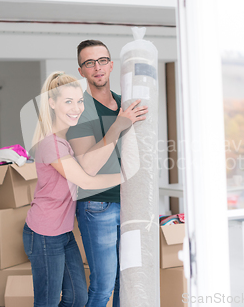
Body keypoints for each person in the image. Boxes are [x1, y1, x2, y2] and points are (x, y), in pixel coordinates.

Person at [23, 72, 122, 307]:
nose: (76, 108)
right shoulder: (52, 144)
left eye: (79, 101)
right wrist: (128, 177)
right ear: (52, 103)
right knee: (47, 302)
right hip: (44, 233)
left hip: (63, 233)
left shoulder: (65, 140)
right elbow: (86, 181)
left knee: (78, 297)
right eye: (68, 102)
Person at [66, 40, 148, 307]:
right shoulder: (78, 109)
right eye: (89, 63)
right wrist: (119, 125)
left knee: (123, 282)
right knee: (102, 286)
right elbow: (88, 165)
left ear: (112, 65)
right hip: (97, 204)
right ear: (81, 71)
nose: (97, 67)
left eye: (102, 60)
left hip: (129, 204)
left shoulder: (125, 104)